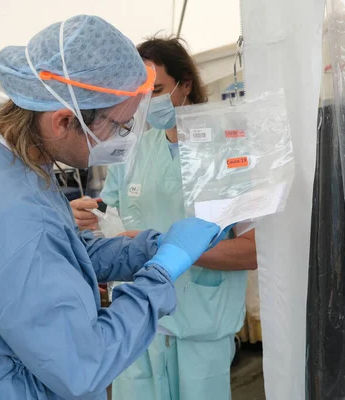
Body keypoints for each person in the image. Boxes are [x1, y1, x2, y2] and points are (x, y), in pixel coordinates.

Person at [0, 16, 225, 400]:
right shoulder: (13, 212)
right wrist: (160, 273)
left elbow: (57, 255)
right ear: (63, 121)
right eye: (119, 127)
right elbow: (83, 363)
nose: (123, 140)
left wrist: (147, 248)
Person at [71, 37, 257, 400]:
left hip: (200, 324)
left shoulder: (228, 151)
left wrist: (177, 252)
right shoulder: (134, 151)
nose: (147, 102)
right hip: (138, 324)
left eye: (156, 90)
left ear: (185, 84)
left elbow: (252, 251)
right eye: (139, 92)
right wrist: (85, 215)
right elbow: (107, 213)